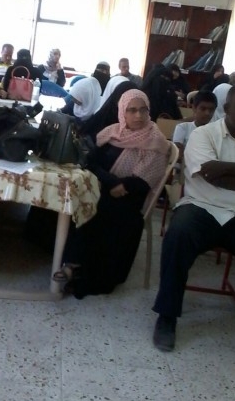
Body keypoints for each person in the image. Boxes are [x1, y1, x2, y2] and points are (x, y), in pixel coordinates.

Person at [152, 83, 235, 352]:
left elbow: (220, 173)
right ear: (227, 108)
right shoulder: (203, 134)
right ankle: (167, 315)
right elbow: (211, 176)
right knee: (178, 236)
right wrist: (234, 173)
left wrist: (224, 167)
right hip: (202, 207)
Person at [55, 89, 169, 297]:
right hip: (106, 186)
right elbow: (90, 161)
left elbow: (143, 181)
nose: (138, 115)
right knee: (75, 198)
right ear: (122, 111)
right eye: (131, 110)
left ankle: (77, 268)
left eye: (143, 110)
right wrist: (111, 182)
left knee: (96, 208)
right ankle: (69, 261)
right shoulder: (113, 132)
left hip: (130, 198)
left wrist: (116, 185)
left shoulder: (155, 140)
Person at [172, 90, 217, 162]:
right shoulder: (183, 128)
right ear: (194, 108)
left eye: (211, 110)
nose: (207, 113)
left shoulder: (216, 132)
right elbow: (177, 156)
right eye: (203, 109)